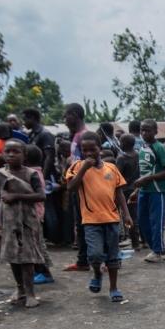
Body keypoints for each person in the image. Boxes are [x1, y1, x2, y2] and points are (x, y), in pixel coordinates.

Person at [65, 133, 131, 301]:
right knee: (94, 255)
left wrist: (126, 214)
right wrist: (84, 169)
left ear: (99, 149)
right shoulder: (77, 167)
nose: (88, 153)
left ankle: (114, 287)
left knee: (113, 256)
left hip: (112, 219)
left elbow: (119, 193)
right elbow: (71, 187)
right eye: (84, 150)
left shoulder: (111, 168)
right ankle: (97, 273)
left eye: (92, 149)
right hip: (91, 221)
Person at [0, 140, 48, 308]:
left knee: (27, 258)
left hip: (27, 220)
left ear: (24, 155)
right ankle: (20, 289)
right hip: (8, 220)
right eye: (7, 151)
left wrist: (16, 196)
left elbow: (41, 196)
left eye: (16, 151)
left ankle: (30, 293)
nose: (11, 155)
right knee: (13, 256)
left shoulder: (31, 174)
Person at [132, 119, 165, 262]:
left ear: (155, 131)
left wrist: (147, 179)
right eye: (142, 130)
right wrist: (136, 190)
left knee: (156, 222)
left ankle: (157, 251)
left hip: (157, 191)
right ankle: (158, 247)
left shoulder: (159, 148)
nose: (144, 133)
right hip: (144, 191)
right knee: (142, 221)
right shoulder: (142, 148)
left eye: (147, 130)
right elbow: (143, 171)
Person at [62, 103, 90, 271]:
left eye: (66, 115)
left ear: (75, 115)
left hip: (83, 186)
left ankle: (87, 260)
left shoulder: (83, 136)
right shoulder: (77, 136)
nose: (64, 119)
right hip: (77, 185)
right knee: (80, 224)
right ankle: (83, 260)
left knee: (85, 224)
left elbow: (87, 162)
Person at [24, 144, 54, 285]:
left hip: (33, 214)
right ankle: (39, 271)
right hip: (34, 214)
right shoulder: (36, 172)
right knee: (35, 244)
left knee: (36, 245)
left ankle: (44, 272)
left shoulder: (32, 174)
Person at [116, 133, 142, 250]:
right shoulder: (139, 155)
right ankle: (143, 240)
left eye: (120, 142)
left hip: (126, 191)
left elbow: (117, 176)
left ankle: (135, 243)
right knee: (138, 215)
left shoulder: (121, 158)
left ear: (124, 144)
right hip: (138, 188)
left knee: (129, 217)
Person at [23, 108, 57, 180]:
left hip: (45, 176)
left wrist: (42, 178)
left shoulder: (45, 134)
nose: (24, 122)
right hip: (34, 174)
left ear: (32, 118)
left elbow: (49, 158)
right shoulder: (31, 134)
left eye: (25, 119)